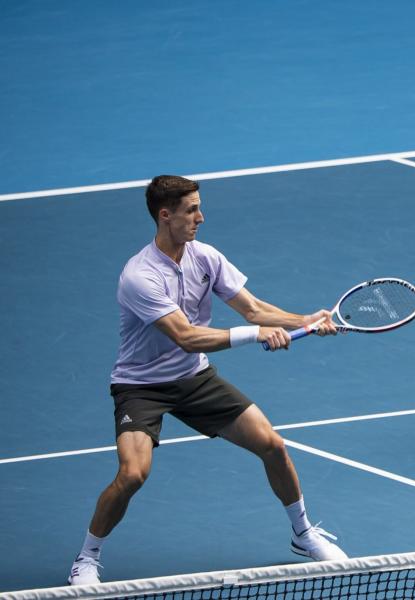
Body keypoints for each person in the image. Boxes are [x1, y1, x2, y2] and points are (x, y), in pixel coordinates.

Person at [68, 175, 347, 585]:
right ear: (165, 216)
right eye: (191, 209)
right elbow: (185, 336)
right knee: (132, 474)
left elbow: (252, 309)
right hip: (141, 386)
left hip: (193, 378)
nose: (201, 216)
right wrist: (257, 337)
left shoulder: (206, 258)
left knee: (272, 444)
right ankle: (86, 558)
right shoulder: (139, 276)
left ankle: (303, 533)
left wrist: (305, 319)